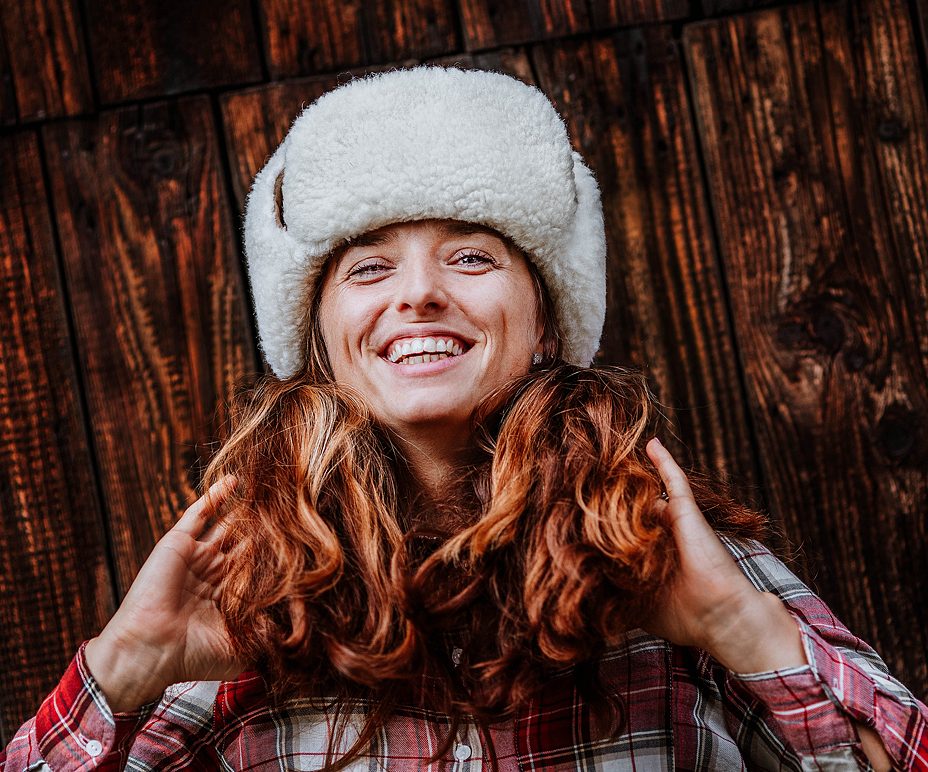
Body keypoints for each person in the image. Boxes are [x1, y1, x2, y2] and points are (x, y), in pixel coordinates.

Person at [3, 66, 926, 772]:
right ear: (319, 340)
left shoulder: (666, 551)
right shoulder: (247, 597)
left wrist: (740, 626)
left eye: (473, 256)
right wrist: (128, 663)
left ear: (546, 322)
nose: (419, 296)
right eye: (367, 268)